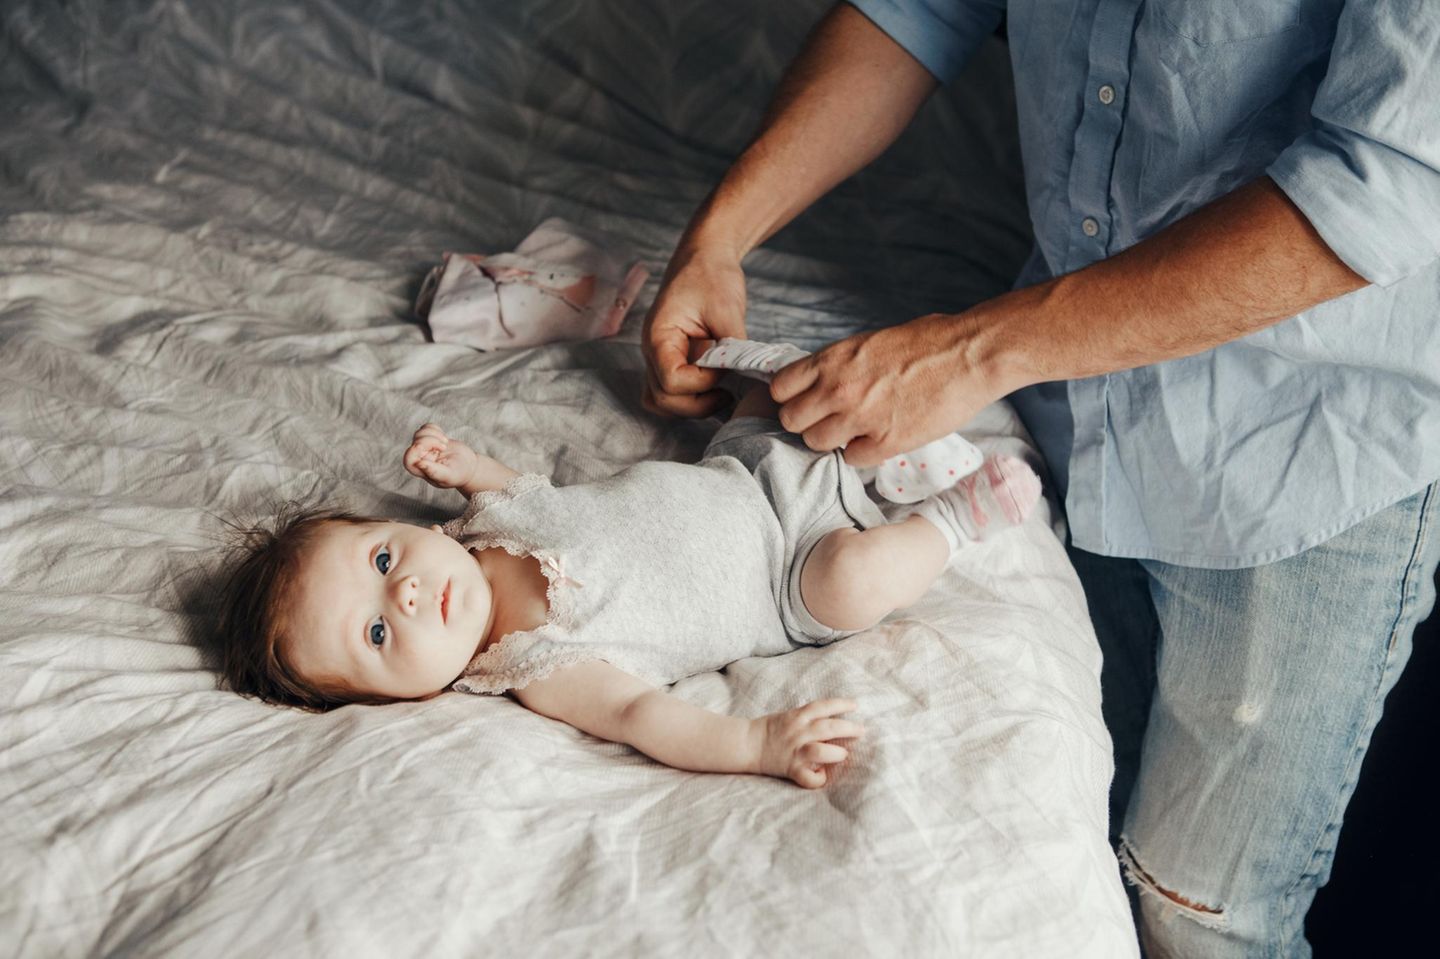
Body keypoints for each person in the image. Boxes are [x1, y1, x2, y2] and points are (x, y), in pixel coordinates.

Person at [639, 2, 1440, 955]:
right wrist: (721, 236)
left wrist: (975, 354)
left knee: (1197, 917)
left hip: (1303, 458)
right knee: (1076, 843)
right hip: (1069, 409)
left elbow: (1384, 179)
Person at [215, 387, 1041, 790]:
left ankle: (859, 448)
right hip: (789, 577)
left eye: (382, 562)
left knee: (775, 389)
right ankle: (952, 521)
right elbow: (644, 715)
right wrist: (754, 745)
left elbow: (519, 482)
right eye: (378, 638)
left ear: (416, 533)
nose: (400, 598)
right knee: (858, 578)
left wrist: (463, 467)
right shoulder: (534, 665)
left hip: (746, 467)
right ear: (404, 700)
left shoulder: (484, 527)